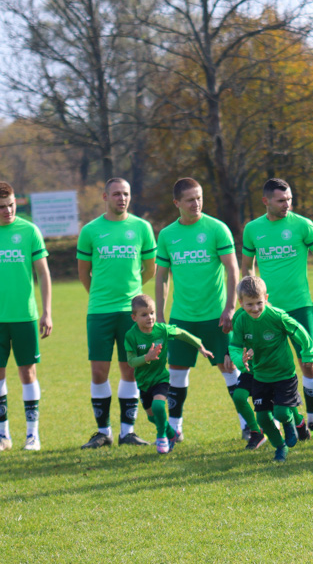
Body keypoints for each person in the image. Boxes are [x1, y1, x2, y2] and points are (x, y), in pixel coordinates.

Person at [154, 177, 254, 442]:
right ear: (177, 203)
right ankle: (175, 429)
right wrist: (162, 318)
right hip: (182, 319)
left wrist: (231, 308)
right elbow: (161, 277)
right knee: (176, 373)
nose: (196, 203)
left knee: (230, 369)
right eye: (190, 199)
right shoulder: (167, 235)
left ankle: (248, 425)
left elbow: (233, 269)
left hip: (216, 317)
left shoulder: (216, 229)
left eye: (199, 197)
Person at [242, 179, 313, 438]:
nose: (287, 205)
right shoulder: (253, 229)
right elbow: (247, 266)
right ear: (265, 201)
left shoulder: (302, 224)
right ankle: (275, 421)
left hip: (300, 306)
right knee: (266, 365)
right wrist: (255, 299)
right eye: (281, 200)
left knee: (309, 363)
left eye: (289, 199)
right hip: (265, 311)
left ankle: (312, 422)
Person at [78, 178, 155, 449]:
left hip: (130, 314)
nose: (121, 198)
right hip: (99, 311)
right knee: (99, 372)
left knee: (130, 369)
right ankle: (103, 432)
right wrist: (101, 296)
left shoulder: (142, 227)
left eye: (126, 194)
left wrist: (130, 297)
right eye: (116, 194)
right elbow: (83, 273)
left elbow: (150, 269)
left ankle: (127, 432)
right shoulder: (90, 231)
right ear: (105, 196)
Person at [229, 276, 313, 462]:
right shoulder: (241, 320)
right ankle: (280, 447)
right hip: (260, 375)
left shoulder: (277, 316)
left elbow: (299, 330)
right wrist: (239, 360)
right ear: (241, 302)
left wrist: (308, 353)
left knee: (281, 413)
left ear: (266, 298)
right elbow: (235, 346)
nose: (255, 308)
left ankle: (291, 423)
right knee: (262, 418)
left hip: (283, 374)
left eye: (259, 303)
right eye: (249, 304)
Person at [124, 295, 215, 453]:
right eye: (144, 314)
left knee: (158, 406)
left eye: (152, 313)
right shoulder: (131, 336)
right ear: (134, 317)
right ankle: (172, 434)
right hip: (144, 381)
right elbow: (131, 362)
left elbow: (181, 333)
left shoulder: (162, 330)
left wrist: (199, 345)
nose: (150, 317)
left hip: (161, 378)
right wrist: (147, 357)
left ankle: (161, 438)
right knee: (152, 416)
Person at [0, 181, 51, 452]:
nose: (7, 211)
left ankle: (33, 435)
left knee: (27, 373)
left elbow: (43, 273)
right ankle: (2, 435)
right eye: (1, 207)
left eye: (11, 205)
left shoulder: (29, 230)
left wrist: (47, 312)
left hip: (24, 317)